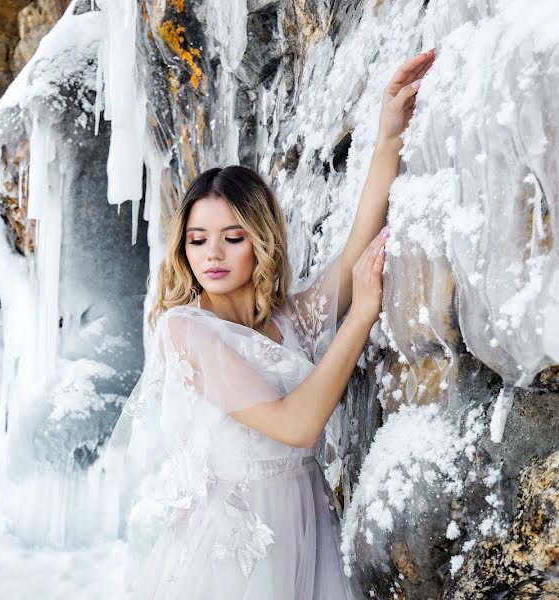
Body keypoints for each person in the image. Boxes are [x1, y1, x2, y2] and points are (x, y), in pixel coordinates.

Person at [97, 50, 436, 599]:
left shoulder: (291, 317)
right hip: (234, 553)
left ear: (261, 240)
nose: (213, 254)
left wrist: (390, 138)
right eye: (197, 238)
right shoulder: (186, 331)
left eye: (232, 237)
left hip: (302, 527)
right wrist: (363, 315)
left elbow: (354, 250)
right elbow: (296, 425)